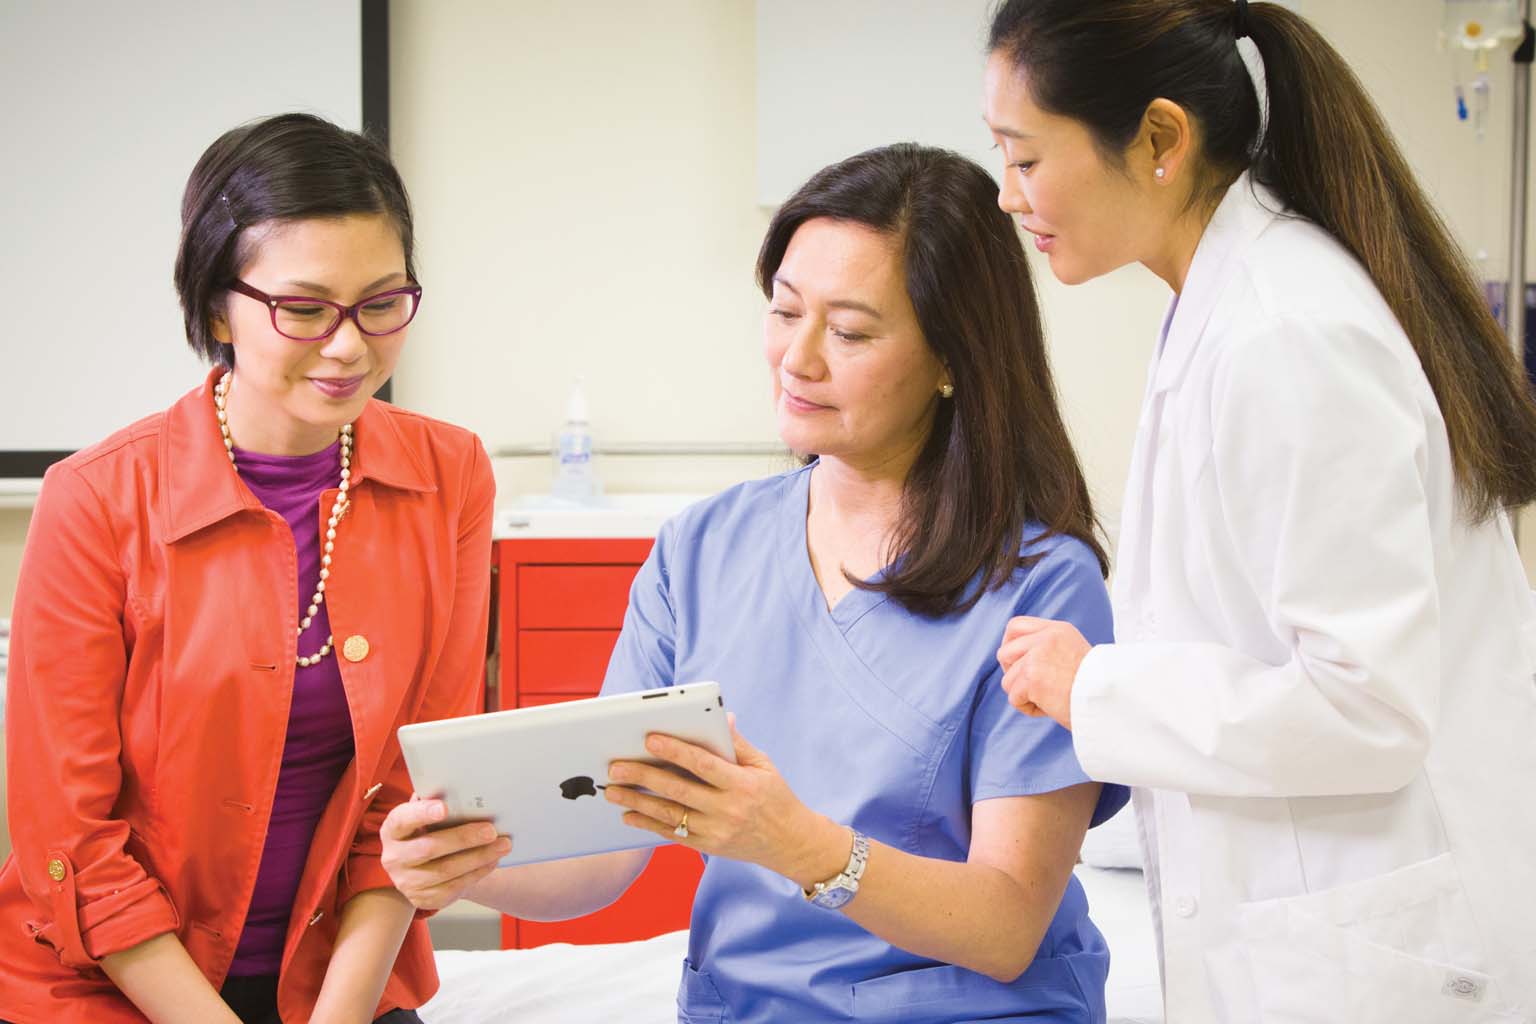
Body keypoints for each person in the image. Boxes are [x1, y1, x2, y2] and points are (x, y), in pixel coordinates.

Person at [379, 143, 1130, 1023]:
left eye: (849, 332)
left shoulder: (1041, 585)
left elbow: (1007, 925)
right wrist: (469, 862)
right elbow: (603, 851)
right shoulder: (702, 550)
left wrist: (796, 844)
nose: (796, 358)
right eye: (783, 311)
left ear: (951, 360)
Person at [983, 2, 1536, 1021]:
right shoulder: (1225, 304)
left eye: (1024, 158)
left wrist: (1096, 688)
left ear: (1158, 139)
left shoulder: (1286, 333)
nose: (1012, 198)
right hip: (1315, 930)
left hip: (1378, 957)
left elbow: (1369, 708)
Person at [0, 113, 494, 1024]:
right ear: (217, 303)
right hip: (114, 981)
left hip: (336, 974)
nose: (349, 346)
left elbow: (414, 791)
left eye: (382, 302)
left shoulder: (449, 473)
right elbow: (72, 837)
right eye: (304, 309)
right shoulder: (97, 499)